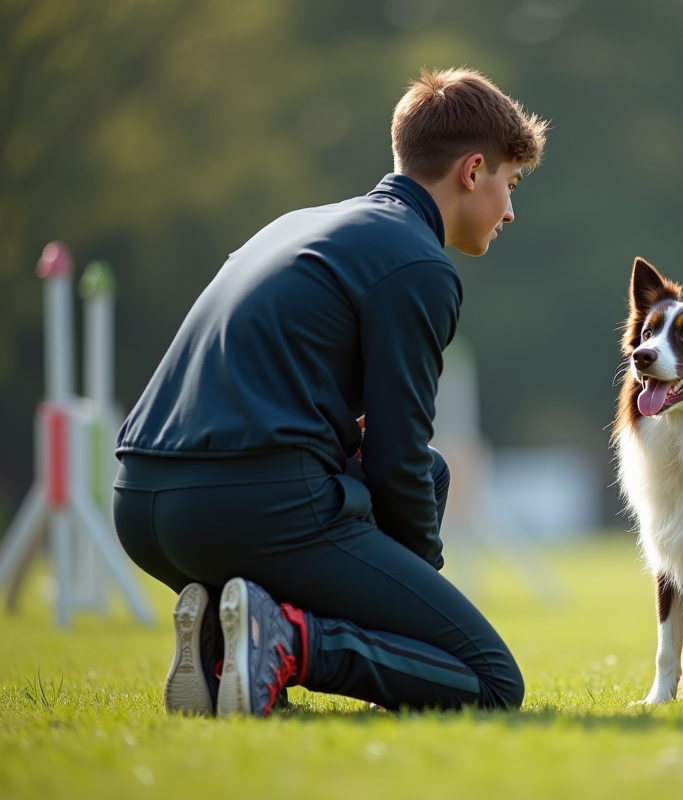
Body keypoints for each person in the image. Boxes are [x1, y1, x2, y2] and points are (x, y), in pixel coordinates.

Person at [111, 68, 547, 717]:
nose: (510, 209)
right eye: (509, 184)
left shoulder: (296, 225)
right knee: (489, 682)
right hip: (250, 504)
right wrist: (415, 608)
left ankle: (222, 651)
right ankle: (284, 640)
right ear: (472, 169)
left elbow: (407, 467)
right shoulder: (420, 265)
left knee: (432, 474)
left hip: (141, 505)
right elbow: (396, 453)